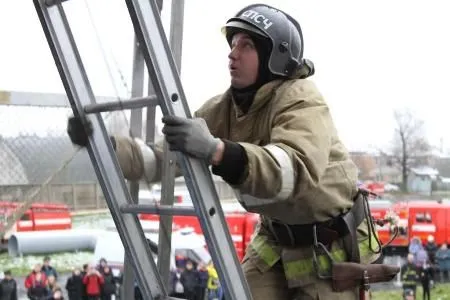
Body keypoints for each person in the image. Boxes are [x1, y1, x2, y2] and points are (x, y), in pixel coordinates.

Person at [67, 4, 386, 299]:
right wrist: (104, 145)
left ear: (275, 56)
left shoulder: (301, 100)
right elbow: (160, 162)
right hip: (275, 242)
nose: (232, 54)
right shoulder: (222, 109)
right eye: (232, 45)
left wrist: (217, 151)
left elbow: (293, 170)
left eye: (246, 45)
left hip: (331, 249)